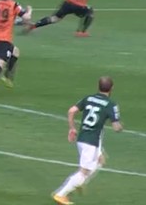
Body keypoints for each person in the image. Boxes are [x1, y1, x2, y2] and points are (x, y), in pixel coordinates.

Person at [52, 76, 123, 205]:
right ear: (112, 88)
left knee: (101, 160)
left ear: (98, 86)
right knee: (83, 172)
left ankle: (79, 183)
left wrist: (72, 128)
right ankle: (61, 195)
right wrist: (120, 127)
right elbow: (116, 127)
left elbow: (71, 111)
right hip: (91, 142)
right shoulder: (110, 104)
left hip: (83, 138)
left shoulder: (89, 98)